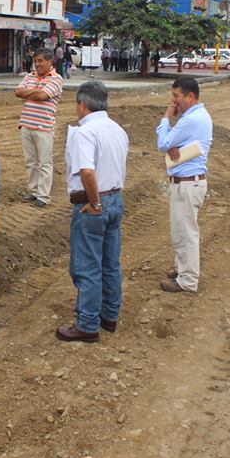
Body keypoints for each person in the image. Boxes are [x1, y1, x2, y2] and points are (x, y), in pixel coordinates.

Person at [56, 81, 129, 343]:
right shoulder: (117, 130)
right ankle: (109, 315)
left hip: (93, 203)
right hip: (116, 198)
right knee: (110, 262)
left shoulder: (84, 133)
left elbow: (87, 171)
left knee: (87, 265)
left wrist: (96, 203)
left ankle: (87, 324)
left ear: (82, 105)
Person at [156, 76, 213, 292]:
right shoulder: (196, 116)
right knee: (180, 231)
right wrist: (171, 141)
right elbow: (170, 144)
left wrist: (166, 118)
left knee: (185, 232)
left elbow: (163, 143)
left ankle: (188, 280)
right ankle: (183, 268)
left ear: (190, 96)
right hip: (187, 182)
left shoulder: (191, 120)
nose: (173, 101)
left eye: (176, 96)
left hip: (188, 184)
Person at [15, 47, 64, 208]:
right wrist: (36, 91)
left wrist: (29, 92)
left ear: (50, 62)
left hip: (44, 127)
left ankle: (43, 196)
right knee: (31, 162)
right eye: (35, 61)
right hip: (27, 125)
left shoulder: (56, 79)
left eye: (40, 61)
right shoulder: (30, 76)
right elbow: (18, 92)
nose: (37, 64)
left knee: (44, 163)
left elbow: (43, 96)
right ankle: (34, 192)